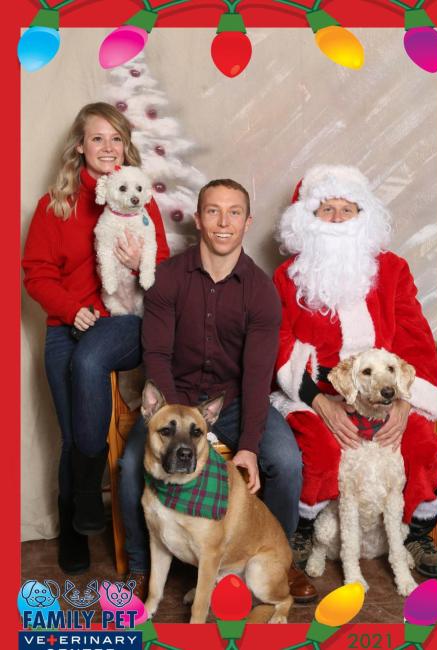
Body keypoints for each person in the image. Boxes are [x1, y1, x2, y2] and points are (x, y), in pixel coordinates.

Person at [119, 178, 317, 603]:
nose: (223, 222)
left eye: (233, 213)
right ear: (198, 219)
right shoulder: (169, 278)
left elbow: (257, 372)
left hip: (233, 401)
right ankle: (139, 569)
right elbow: (155, 354)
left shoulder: (261, 291)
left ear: (248, 222)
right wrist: (176, 420)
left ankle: (283, 561)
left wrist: (247, 445)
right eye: (213, 211)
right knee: (131, 462)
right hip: (174, 398)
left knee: (285, 461)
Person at [272, 164, 437, 578]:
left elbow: (415, 338)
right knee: (321, 449)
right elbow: (279, 343)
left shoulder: (393, 270)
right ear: (306, 220)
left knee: (421, 444)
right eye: (325, 209)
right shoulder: (286, 276)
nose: (335, 218)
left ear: (362, 215)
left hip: (386, 385)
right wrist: (321, 403)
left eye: (346, 209)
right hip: (318, 389)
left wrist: (404, 401)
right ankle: (307, 530)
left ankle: (415, 534)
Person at [22, 102, 170, 574]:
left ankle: (87, 492)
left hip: (123, 318)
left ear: (126, 145)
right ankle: (74, 522)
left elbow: (161, 271)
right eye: (97, 138)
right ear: (80, 147)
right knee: (71, 434)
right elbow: (36, 274)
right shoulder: (55, 205)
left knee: (88, 362)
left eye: (115, 139)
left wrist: (132, 263)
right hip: (68, 322)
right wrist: (71, 309)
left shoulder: (138, 199)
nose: (107, 148)